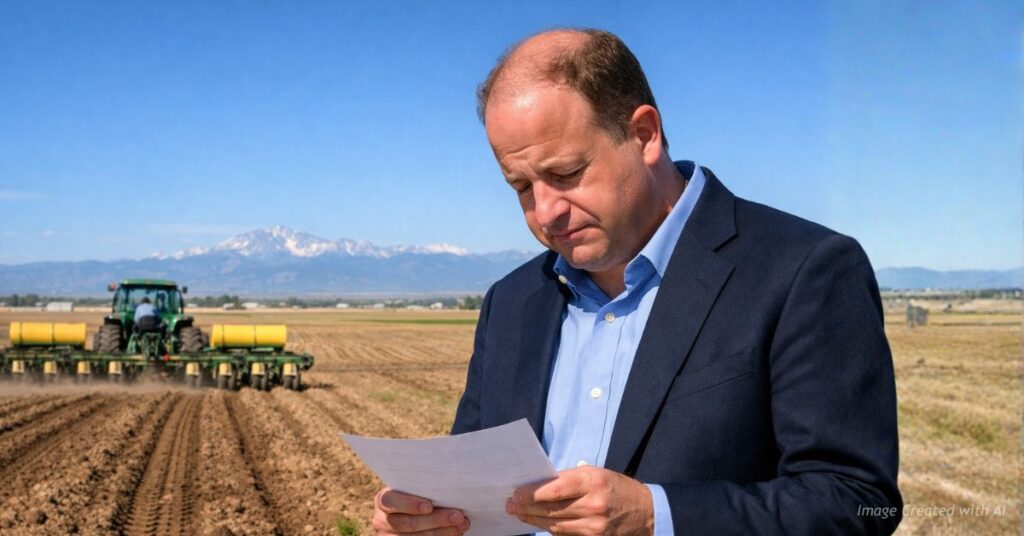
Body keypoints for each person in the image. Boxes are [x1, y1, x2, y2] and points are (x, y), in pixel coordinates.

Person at [372, 28, 901, 535]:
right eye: (521, 187)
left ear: (644, 134)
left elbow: (859, 503)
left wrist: (659, 518)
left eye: (565, 173)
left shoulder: (805, 270)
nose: (545, 212)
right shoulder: (509, 302)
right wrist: (435, 518)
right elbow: (476, 490)